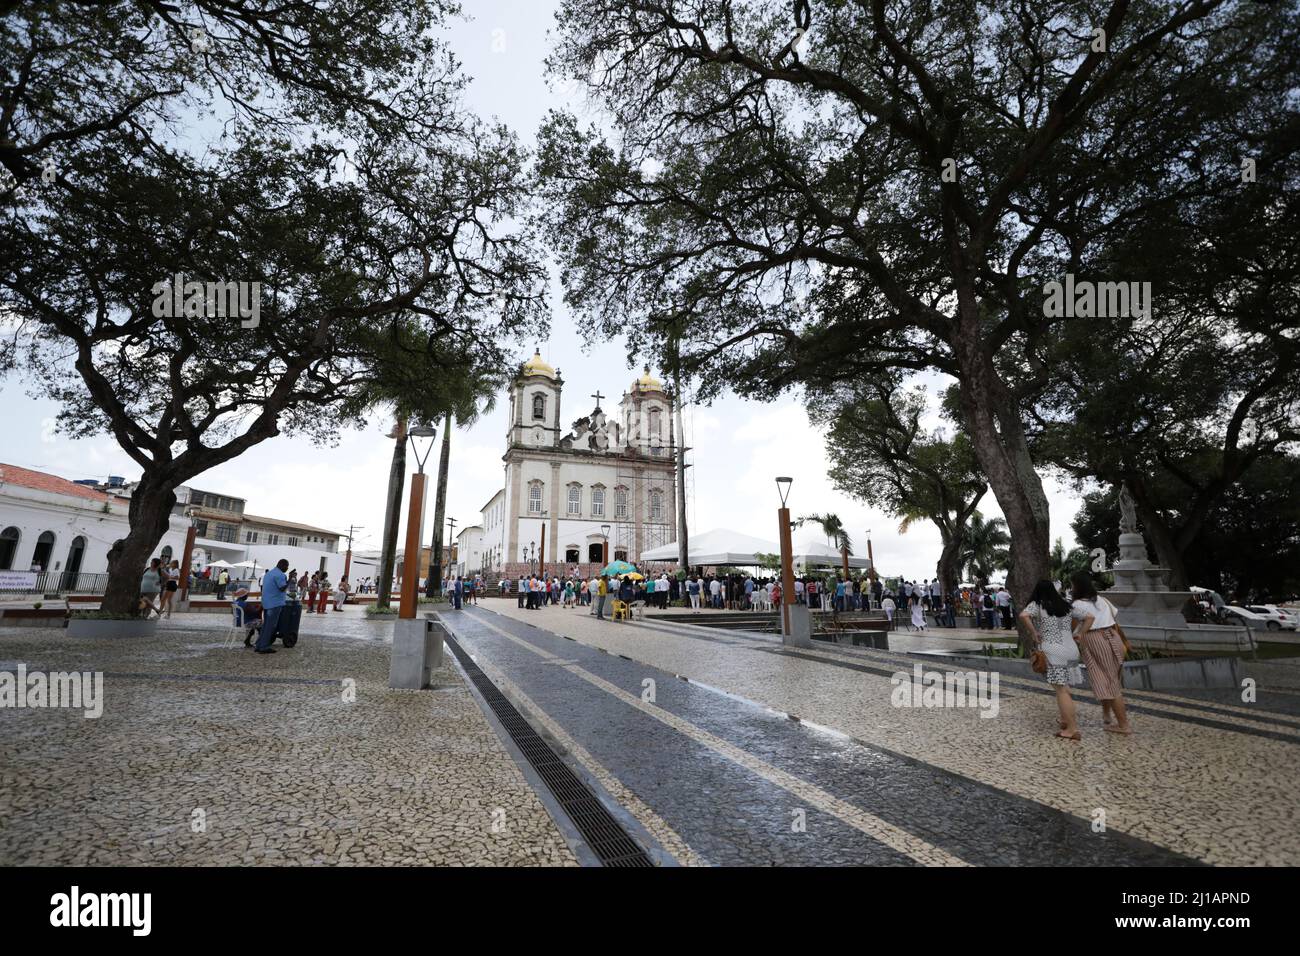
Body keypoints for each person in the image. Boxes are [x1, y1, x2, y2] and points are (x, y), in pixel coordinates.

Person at [1070, 572, 1134, 734]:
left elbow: (1074, 626)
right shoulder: (1102, 600)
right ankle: (1107, 715)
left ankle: (1123, 725)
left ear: (1077, 586)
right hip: (1113, 637)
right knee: (1108, 679)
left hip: (1095, 639)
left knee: (1110, 684)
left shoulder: (1077, 604)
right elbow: (1114, 620)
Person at [1019, 580, 1082, 740]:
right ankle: (1064, 720)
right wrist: (1077, 632)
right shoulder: (1066, 604)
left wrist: (1034, 632)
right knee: (1064, 687)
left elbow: (1024, 615)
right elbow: (1089, 617)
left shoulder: (1038, 604)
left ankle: (1071, 729)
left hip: (1053, 649)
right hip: (1071, 649)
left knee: (1061, 690)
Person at [254, 559, 290, 654]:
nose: (287, 568)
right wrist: (290, 579)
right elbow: (282, 588)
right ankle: (264, 647)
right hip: (275, 604)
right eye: (286, 566)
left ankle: (259, 644)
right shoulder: (280, 575)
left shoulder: (269, 573)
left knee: (266, 625)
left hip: (267, 603)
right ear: (282, 565)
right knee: (270, 626)